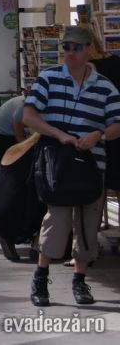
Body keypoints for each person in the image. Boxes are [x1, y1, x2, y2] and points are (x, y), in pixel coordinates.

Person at [23, 25, 120, 307]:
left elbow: (116, 124)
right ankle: (41, 277)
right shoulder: (49, 79)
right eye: (66, 47)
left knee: (88, 225)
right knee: (57, 220)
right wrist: (59, 134)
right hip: (59, 165)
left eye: (77, 47)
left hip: (92, 165)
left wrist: (98, 135)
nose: (70, 53)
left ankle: (80, 281)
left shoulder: (105, 87)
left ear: (89, 49)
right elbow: (29, 115)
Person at [0, 94, 26, 165]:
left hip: (1, 134)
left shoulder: (26, 100)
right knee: (10, 168)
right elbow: (20, 137)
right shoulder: (23, 105)